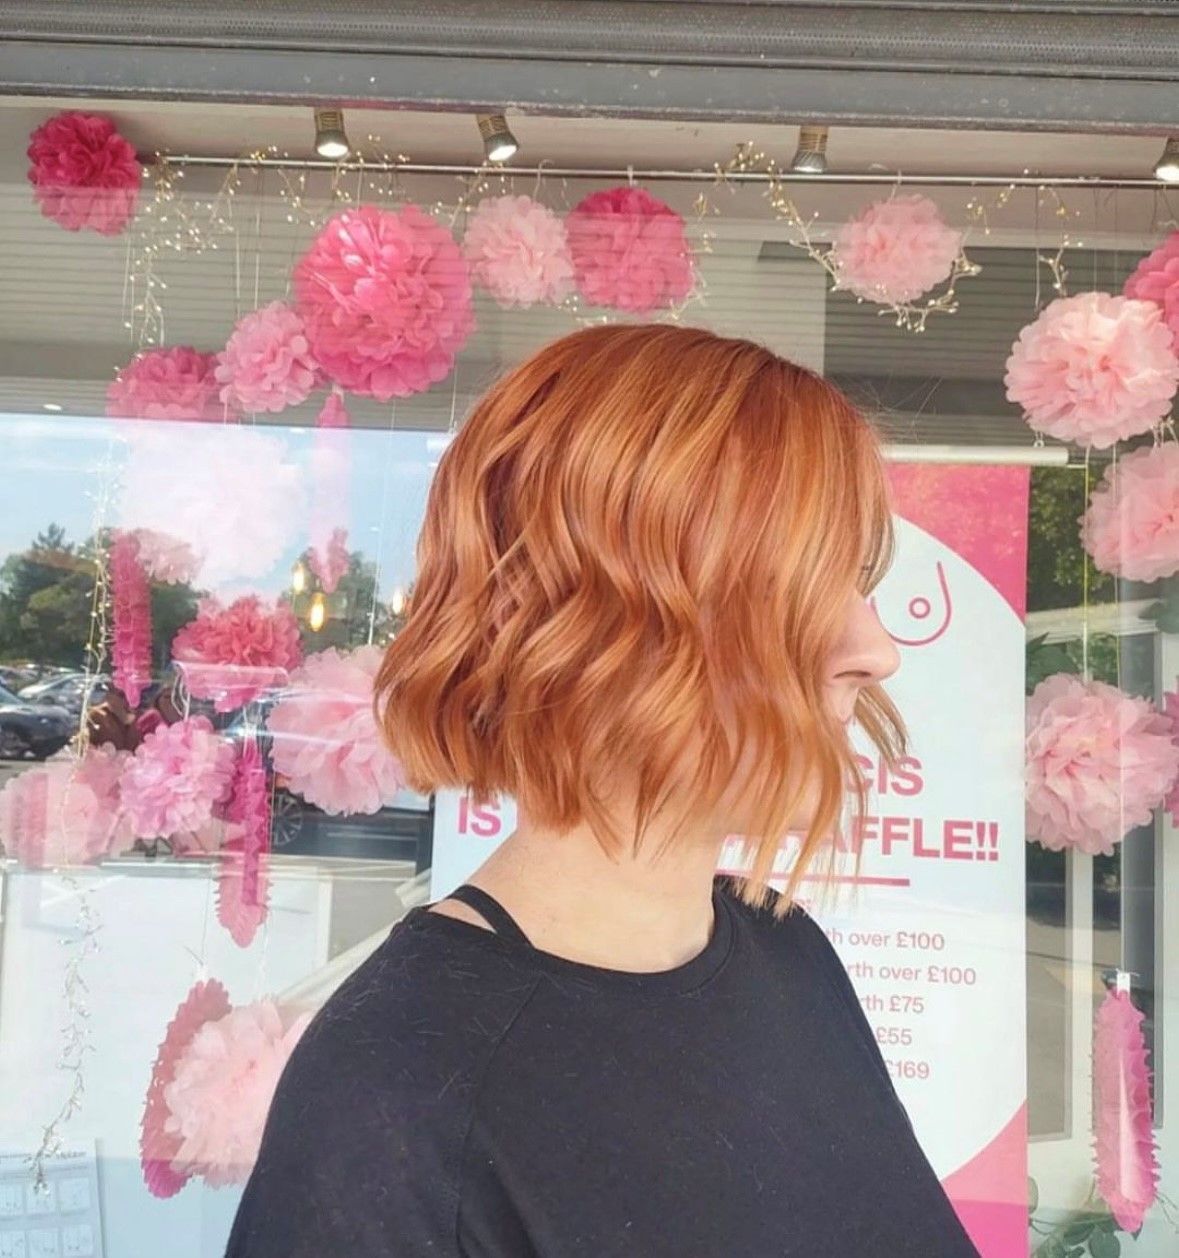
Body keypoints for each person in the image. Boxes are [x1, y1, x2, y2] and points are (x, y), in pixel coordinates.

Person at [226, 324, 982, 1256]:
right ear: (602, 622)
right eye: (803, 584)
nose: (877, 651)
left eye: (857, 583)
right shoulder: (398, 1097)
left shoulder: (785, 953)